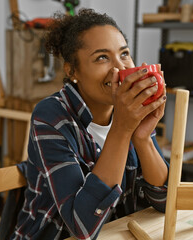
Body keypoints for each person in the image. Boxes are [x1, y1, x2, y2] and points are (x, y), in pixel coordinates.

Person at [11, 8, 169, 240]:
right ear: (72, 70)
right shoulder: (50, 116)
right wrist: (123, 129)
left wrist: (143, 138)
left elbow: (166, 202)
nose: (120, 68)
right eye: (102, 58)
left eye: (124, 54)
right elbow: (82, 227)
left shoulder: (129, 109)